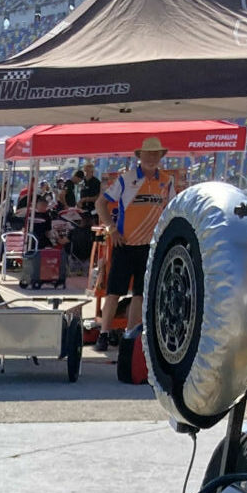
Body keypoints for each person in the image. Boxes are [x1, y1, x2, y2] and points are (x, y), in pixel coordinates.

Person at [94, 136, 176, 351]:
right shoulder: (126, 178)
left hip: (150, 247)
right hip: (124, 245)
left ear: (160, 157)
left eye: (155, 154)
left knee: (140, 293)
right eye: (148, 154)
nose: (151, 158)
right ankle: (103, 333)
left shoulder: (167, 181)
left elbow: (172, 211)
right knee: (114, 292)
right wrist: (111, 229)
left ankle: (130, 336)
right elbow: (101, 203)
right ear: (140, 156)